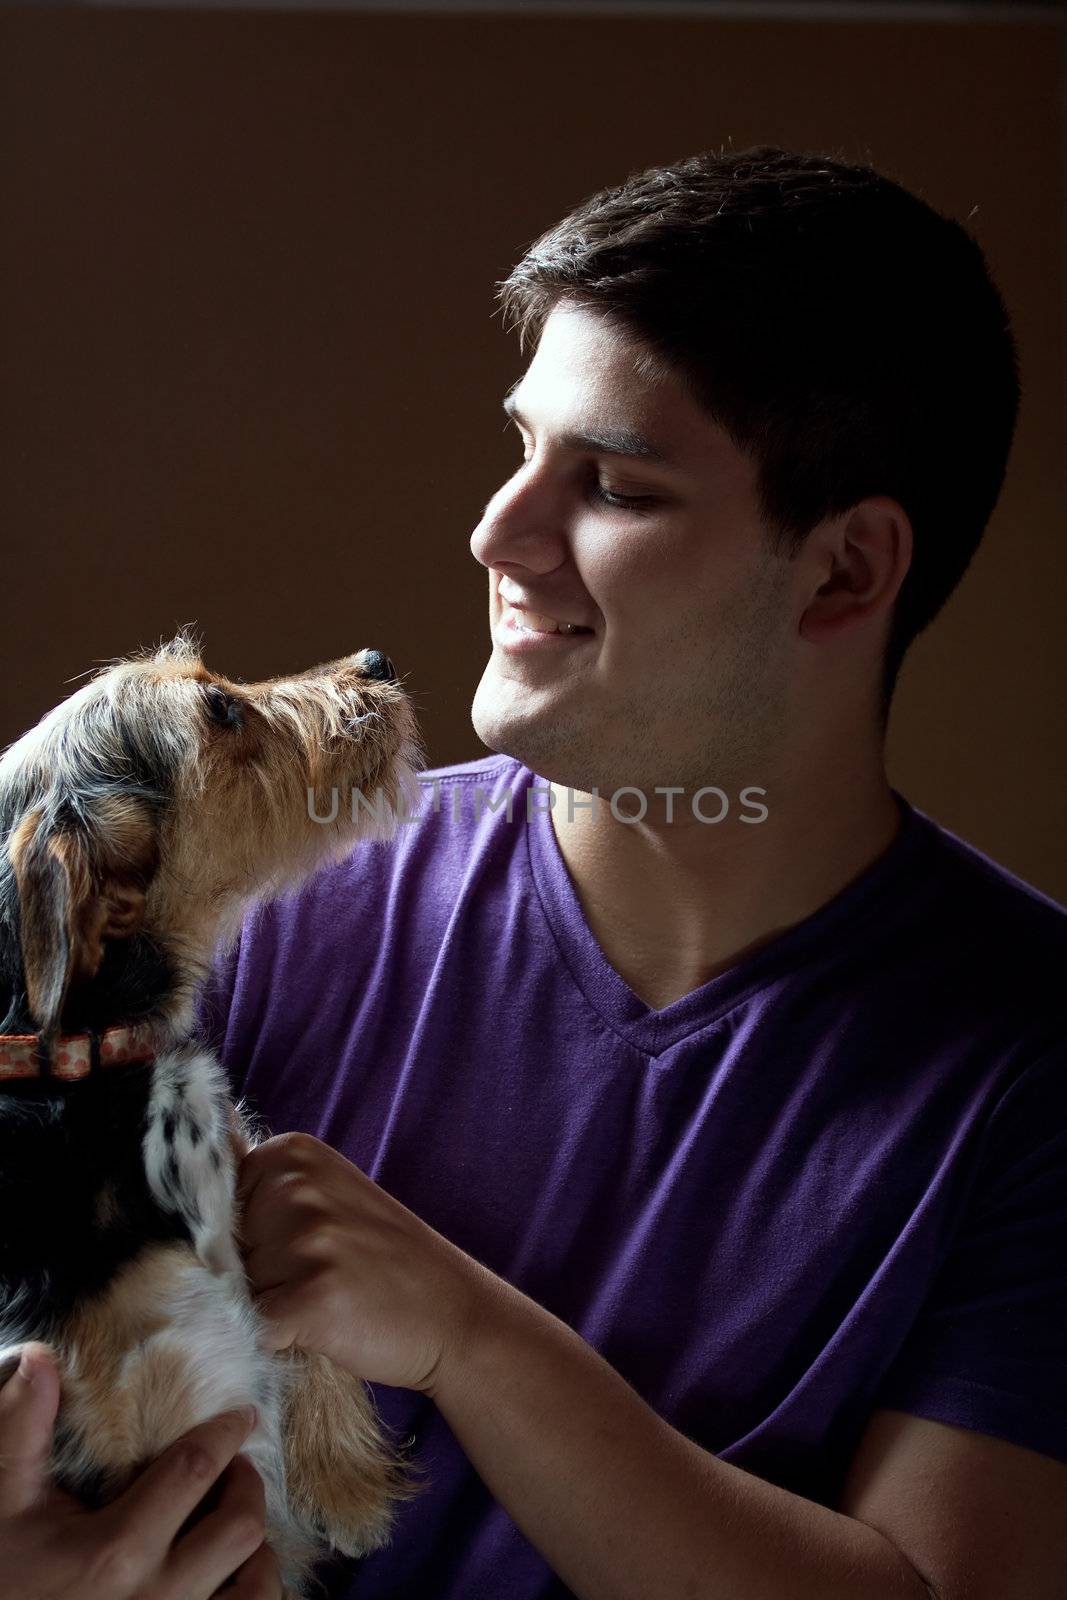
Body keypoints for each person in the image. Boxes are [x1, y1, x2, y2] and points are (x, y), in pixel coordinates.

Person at [3, 143, 1065, 1599]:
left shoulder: (1033, 1069)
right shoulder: (250, 907)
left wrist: (466, 1335)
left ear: (844, 574)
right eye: (522, 445)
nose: (497, 532)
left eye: (615, 487)